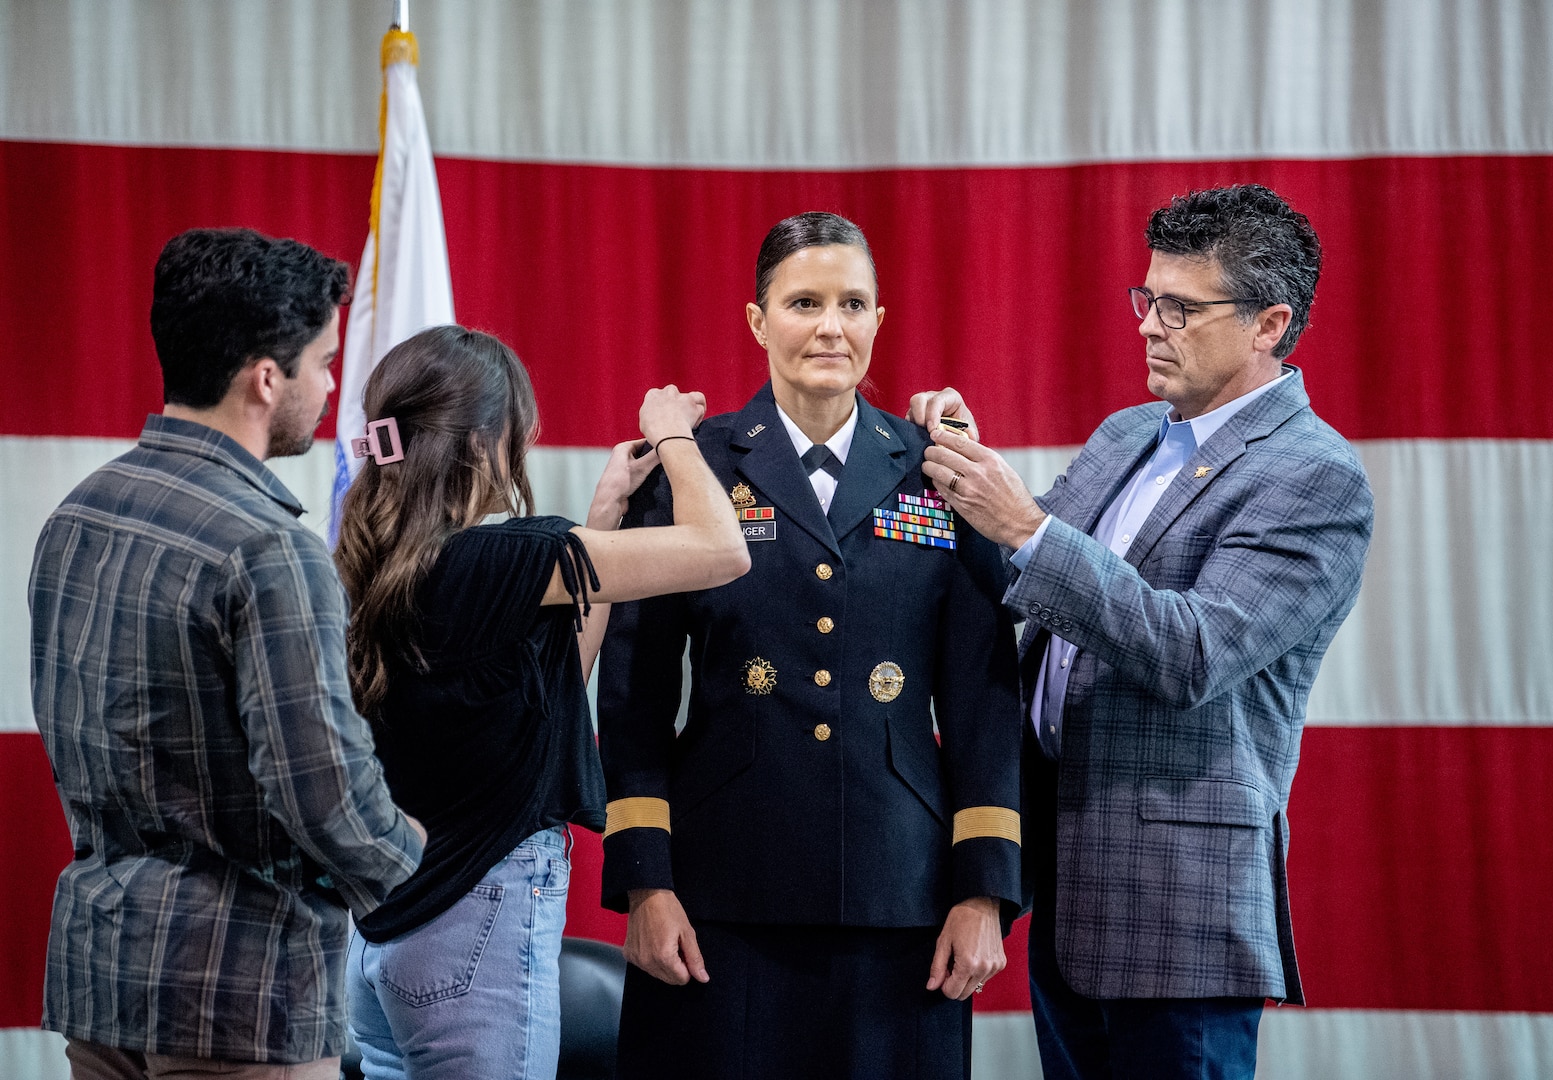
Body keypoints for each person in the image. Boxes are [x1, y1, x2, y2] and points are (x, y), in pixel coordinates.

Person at [911, 184, 1376, 1080]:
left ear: (1268, 324)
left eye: (1181, 307)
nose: (1149, 326)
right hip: (1067, 879)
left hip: (1180, 908)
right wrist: (966, 468)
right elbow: (1029, 580)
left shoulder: (1315, 477)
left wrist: (1026, 527)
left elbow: (1193, 651)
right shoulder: (1130, 432)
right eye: (1146, 299)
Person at [597, 211, 1024, 1080]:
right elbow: (633, 692)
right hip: (718, 894)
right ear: (759, 322)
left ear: (878, 319)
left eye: (853, 303)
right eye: (804, 302)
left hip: (901, 893)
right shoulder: (693, 467)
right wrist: (646, 881)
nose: (831, 325)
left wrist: (984, 891)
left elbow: (983, 699)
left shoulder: (941, 469)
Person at [29, 227, 426, 1079]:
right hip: (237, 998)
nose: (331, 387)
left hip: (100, 982)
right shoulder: (267, 549)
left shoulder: (76, 515)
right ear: (266, 377)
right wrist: (412, 859)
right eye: (324, 361)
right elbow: (321, 790)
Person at [332, 325, 748, 1080]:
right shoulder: (501, 557)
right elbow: (724, 549)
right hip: (472, 926)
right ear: (484, 438)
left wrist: (606, 510)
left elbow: (550, 688)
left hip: (384, 944)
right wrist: (677, 437)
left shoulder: (386, 562)